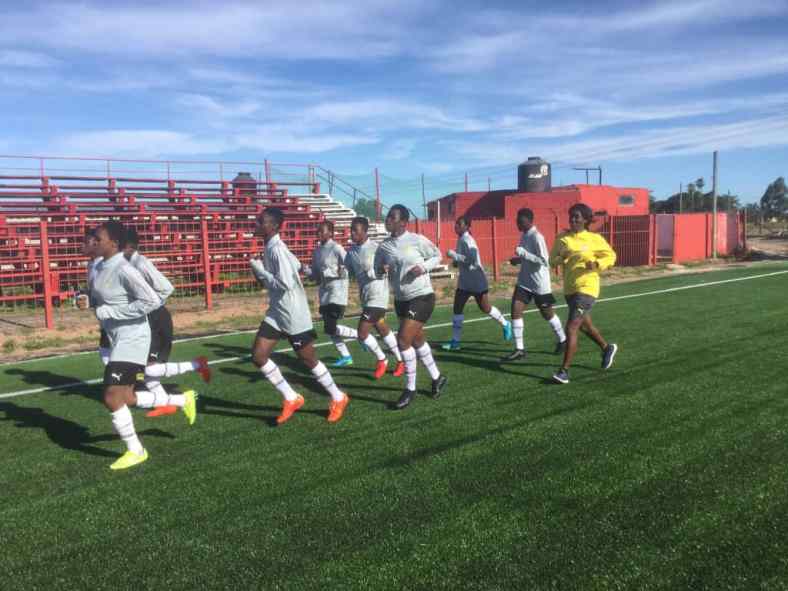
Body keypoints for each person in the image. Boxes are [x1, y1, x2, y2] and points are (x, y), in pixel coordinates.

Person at [88, 220, 196, 470]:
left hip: (134, 339)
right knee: (126, 396)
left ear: (113, 243)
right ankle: (181, 401)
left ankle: (136, 451)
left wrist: (110, 313)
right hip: (118, 339)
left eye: (98, 239)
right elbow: (105, 300)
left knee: (112, 396)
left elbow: (149, 301)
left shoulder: (125, 269)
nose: (94, 242)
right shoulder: (101, 266)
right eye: (93, 238)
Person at [249, 208, 350, 424]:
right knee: (258, 356)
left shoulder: (276, 249)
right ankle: (291, 397)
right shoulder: (272, 246)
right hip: (277, 311)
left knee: (307, 359)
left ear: (274, 226)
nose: (256, 224)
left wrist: (260, 271)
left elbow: (283, 284)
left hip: (293, 312)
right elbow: (294, 265)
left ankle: (339, 397)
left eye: (261, 221)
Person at [123, 228, 211, 418]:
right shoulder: (127, 263)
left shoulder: (141, 263)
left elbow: (166, 288)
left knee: (148, 367)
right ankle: (164, 401)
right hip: (146, 319)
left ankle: (197, 365)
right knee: (146, 367)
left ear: (128, 246)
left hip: (155, 319)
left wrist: (150, 306)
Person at [374, 204, 447, 410]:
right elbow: (376, 269)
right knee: (417, 340)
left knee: (403, 339)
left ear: (403, 222)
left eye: (392, 217)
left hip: (422, 296)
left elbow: (437, 255)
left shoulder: (416, 240)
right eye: (388, 217)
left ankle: (410, 388)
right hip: (401, 299)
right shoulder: (384, 246)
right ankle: (437, 377)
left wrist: (422, 267)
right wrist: (380, 268)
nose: (388, 220)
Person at [549, 203, 618, 384]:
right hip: (570, 289)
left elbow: (611, 256)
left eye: (577, 216)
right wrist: (562, 256)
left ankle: (563, 371)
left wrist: (597, 264)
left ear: (586, 220)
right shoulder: (562, 238)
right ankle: (606, 347)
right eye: (571, 215)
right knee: (584, 326)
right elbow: (552, 261)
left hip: (587, 288)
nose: (573, 219)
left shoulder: (594, 238)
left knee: (571, 327)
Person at [501, 208, 567, 362]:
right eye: (517, 220)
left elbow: (544, 261)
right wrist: (518, 260)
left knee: (547, 314)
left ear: (529, 221)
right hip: (524, 282)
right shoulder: (524, 235)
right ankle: (519, 349)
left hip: (539, 284)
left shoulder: (537, 237)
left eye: (520, 221)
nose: (518, 223)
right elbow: (529, 257)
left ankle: (563, 340)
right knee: (515, 309)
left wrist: (523, 254)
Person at [344, 216, 405, 379]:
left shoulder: (376, 248)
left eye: (355, 230)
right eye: (351, 230)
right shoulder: (351, 252)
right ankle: (401, 360)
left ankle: (382, 359)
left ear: (365, 231)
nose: (352, 233)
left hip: (378, 295)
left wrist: (383, 268)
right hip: (366, 296)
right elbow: (347, 269)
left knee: (362, 333)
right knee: (381, 327)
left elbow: (391, 264)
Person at [442, 215, 512, 351]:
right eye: (456, 224)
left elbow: (472, 259)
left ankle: (505, 324)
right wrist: (457, 261)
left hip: (476, 280)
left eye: (459, 224)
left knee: (485, 308)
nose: (456, 226)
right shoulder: (461, 238)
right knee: (457, 308)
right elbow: (464, 259)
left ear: (467, 227)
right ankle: (455, 342)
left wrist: (454, 255)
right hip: (465, 281)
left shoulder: (468, 240)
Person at [303, 221, 356, 367]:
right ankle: (346, 356)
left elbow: (348, 268)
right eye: (317, 231)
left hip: (337, 291)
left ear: (331, 233)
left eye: (322, 231)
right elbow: (315, 275)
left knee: (331, 326)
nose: (318, 233)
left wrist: (336, 271)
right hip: (324, 292)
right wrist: (306, 271)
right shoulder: (317, 251)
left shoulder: (336, 248)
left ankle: (361, 335)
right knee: (329, 328)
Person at [78, 227, 111, 366]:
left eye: (86, 242)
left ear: (95, 244)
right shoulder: (91, 264)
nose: (82, 245)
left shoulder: (104, 264)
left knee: (109, 351)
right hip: (104, 316)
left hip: (114, 316)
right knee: (106, 350)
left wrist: (91, 299)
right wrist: (84, 296)